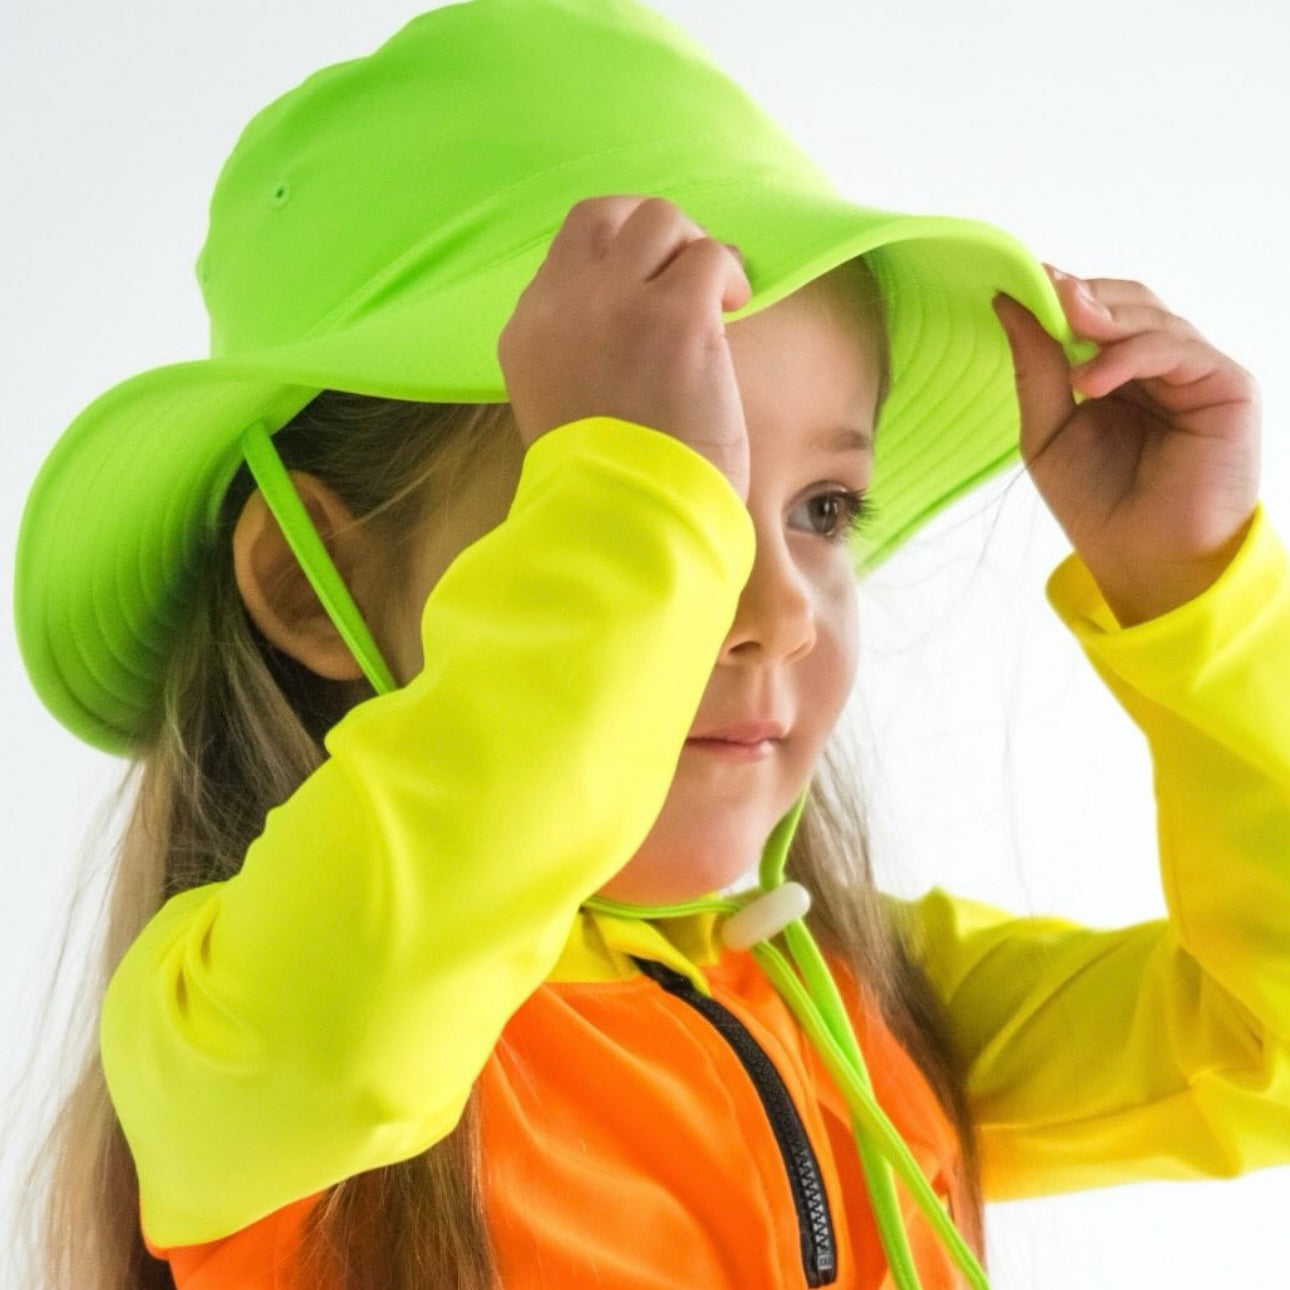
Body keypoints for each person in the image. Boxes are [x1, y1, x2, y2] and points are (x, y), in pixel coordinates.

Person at [10, 2, 1288, 1288]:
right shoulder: (231, 1038)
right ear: (309, 585)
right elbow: (364, 1009)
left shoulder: (875, 1003)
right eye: (633, 515)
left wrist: (1196, 601)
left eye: (822, 510)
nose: (777, 610)